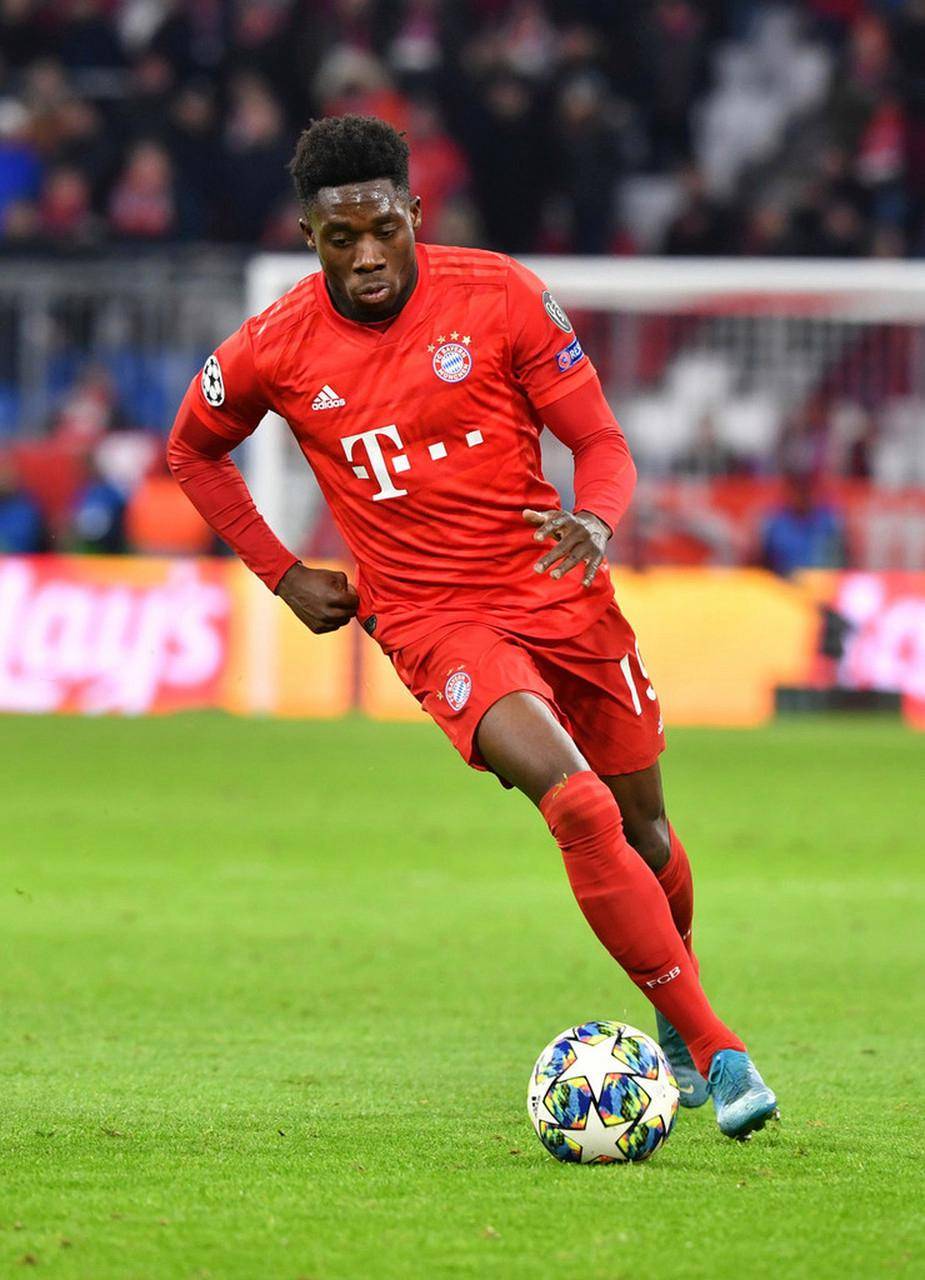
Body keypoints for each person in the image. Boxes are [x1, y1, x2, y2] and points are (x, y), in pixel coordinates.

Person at [167, 114, 778, 1141]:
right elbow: (192, 450)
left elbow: (600, 441)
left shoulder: (498, 294)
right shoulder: (273, 344)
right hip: (432, 617)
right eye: (339, 238)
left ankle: (677, 1017)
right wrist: (280, 573)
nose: (366, 255)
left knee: (646, 833)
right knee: (576, 803)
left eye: (382, 228)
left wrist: (595, 518)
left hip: (558, 586)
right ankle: (719, 1049)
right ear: (310, 235)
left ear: (414, 212)